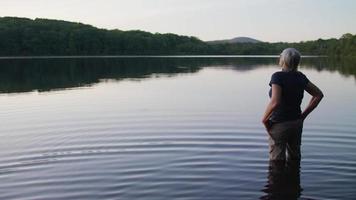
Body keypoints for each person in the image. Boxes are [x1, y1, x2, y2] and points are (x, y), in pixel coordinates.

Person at [261, 48, 324, 162]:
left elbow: (275, 102)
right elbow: (318, 95)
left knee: (276, 161)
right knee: (295, 158)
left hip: (279, 123)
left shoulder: (278, 76)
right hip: (296, 123)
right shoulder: (300, 77)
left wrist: (264, 119)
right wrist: (303, 116)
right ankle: (294, 178)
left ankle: (278, 180)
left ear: (283, 60)